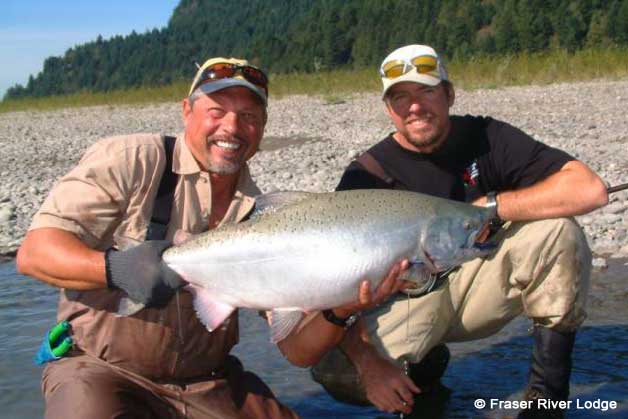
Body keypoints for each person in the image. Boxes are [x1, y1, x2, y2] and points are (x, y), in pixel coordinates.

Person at [16, 57, 408, 419]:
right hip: (100, 371)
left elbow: (296, 351)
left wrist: (339, 310)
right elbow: (34, 254)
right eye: (216, 112)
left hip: (208, 381)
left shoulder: (265, 217)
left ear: (263, 127)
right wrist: (116, 268)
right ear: (187, 111)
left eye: (248, 116)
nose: (232, 128)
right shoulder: (132, 159)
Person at [324, 44, 609, 418]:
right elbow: (329, 289)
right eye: (400, 98)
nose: (415, 107)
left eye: (426, 91)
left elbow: (589, 189)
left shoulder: (488, 137)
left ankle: (547, 401)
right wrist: (369, 364)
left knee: (558, 231)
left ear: (449, 94)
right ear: (388, 109)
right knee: (337, 371)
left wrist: (492, 208)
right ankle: (422, 373)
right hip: (410, 303)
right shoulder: (368, 174)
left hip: (479, 286)